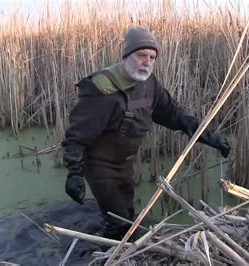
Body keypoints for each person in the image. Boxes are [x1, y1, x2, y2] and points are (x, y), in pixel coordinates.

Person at [61, 26, 230, 240]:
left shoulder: (149, 84)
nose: (147, 62)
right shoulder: (102, 89)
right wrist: (74, 173)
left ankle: (122, 250)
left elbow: (174, 114)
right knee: (118, 221)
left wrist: (208, 136)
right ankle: (110, 256)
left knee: (128, 215)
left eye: (152, 57)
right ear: (126, 56)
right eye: (141, 55)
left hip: (125, 163)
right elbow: (77, 135)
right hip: (100, 166)